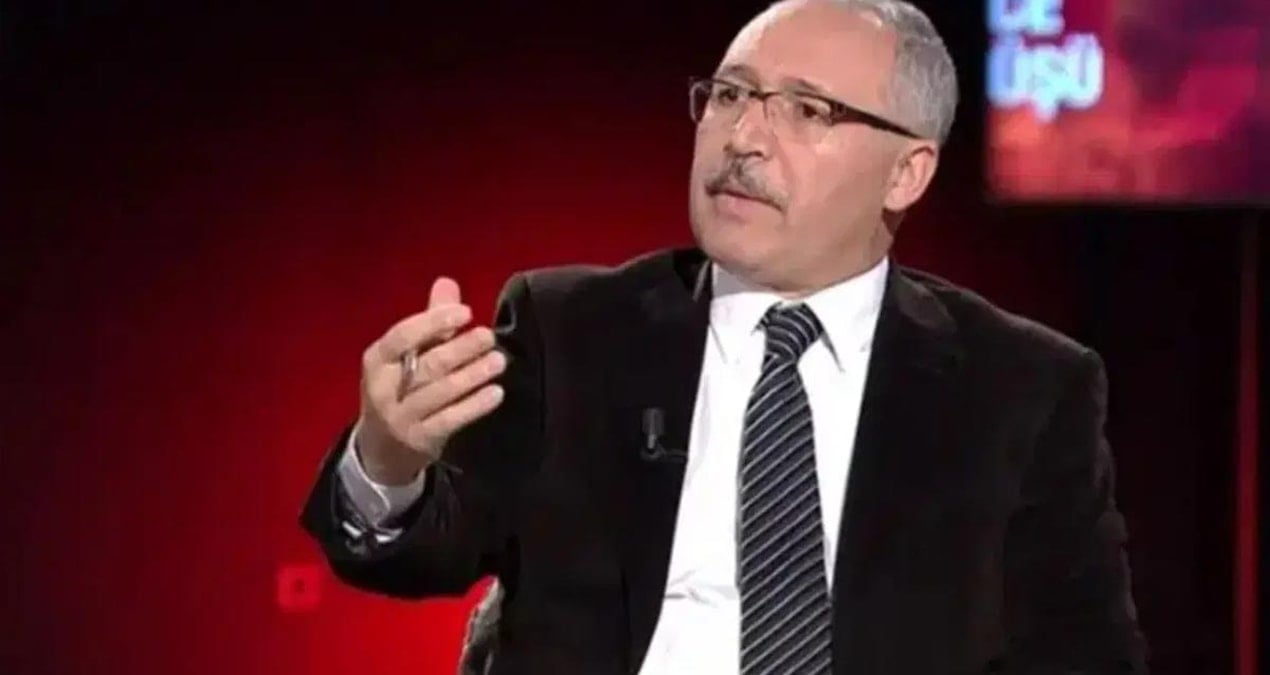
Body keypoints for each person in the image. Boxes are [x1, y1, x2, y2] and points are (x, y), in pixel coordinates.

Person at [300, 1, 1149, 672]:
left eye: (807, 110)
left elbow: (1084, 655)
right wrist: (388, 461)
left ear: (907, 172)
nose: (742, 139)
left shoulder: (1021, 387)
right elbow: (422, 551)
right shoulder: (574, 330)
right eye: (731, 94)